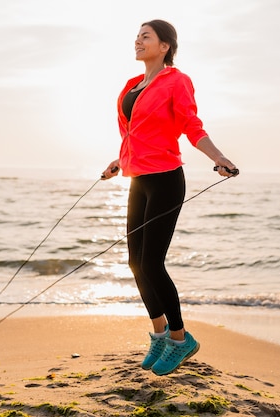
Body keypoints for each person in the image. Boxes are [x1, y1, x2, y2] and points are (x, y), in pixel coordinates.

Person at [101, 19, 238, 376]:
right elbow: (135, 134)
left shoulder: (177, 81)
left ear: (164, 46)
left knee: (151, 263)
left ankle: (181, 340)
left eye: (146, 36)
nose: (138, 41)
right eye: (137, 36)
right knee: (134, 263)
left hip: (165, 179)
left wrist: (218, 158)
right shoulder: (132, 85)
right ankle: (160, 334)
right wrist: (120, 160)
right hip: (138, 178)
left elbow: (191, 125)